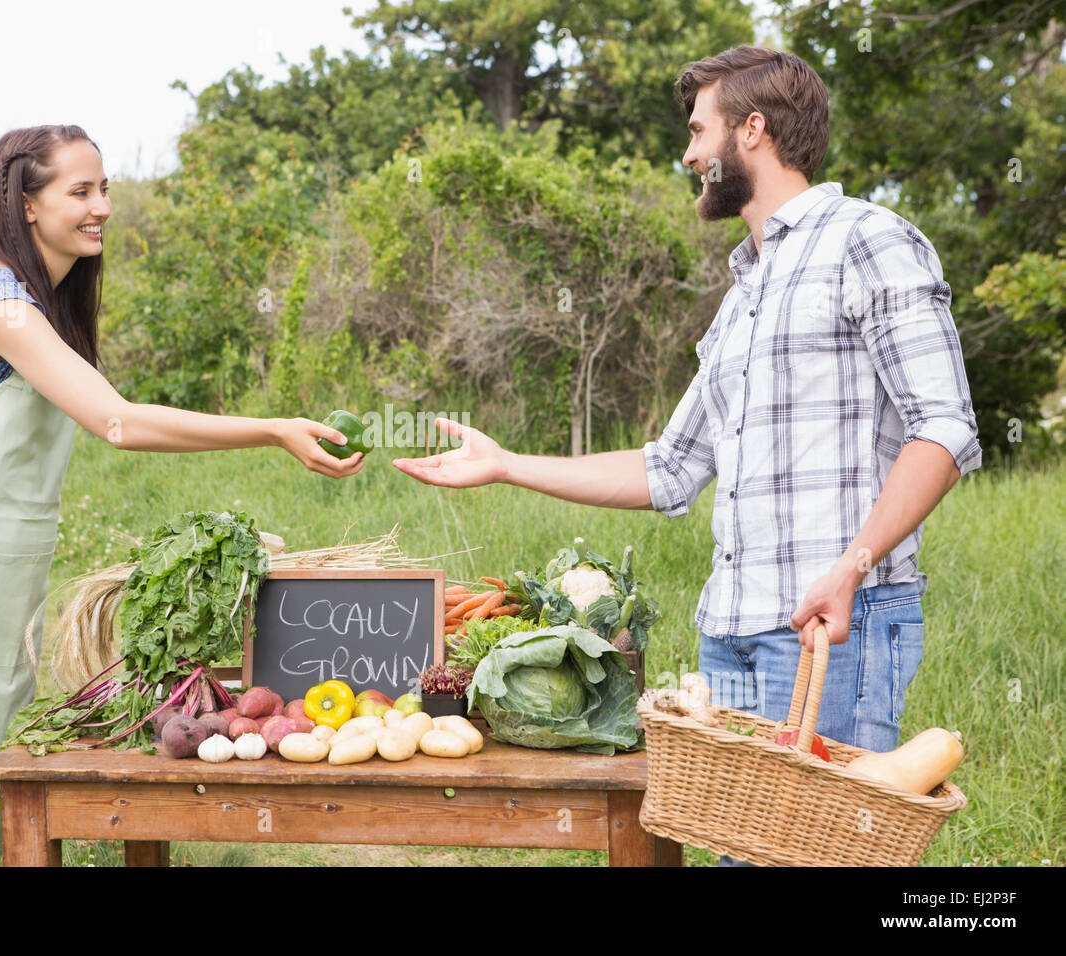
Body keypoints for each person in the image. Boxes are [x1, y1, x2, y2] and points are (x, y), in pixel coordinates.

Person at [392, 46, 981, 864]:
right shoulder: (743, 296)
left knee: (818, 859)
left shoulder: (868, 241)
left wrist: (853, 564)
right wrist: (506, 463)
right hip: (731, 636)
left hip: (829, 632)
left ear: (754, 128)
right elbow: (670, 469)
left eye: (699, 129)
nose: (689, 154)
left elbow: (945, 427)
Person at [0, 124, 363, 867]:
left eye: (105, 191)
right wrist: (272, 428)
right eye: (80, 191)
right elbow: (118, 423)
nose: (101, 207)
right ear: (27, 204)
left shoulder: (47, 305)